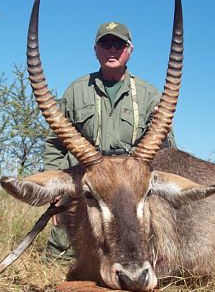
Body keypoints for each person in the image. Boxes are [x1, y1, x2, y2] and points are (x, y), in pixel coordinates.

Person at [43, 21, 176, 261]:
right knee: (60, 255)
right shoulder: (76, 90)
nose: (112, 50)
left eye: (119, 44)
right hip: (89, 180)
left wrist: (162, 130)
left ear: (130, 50)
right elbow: (55, 142)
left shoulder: (149, 95)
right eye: (106, 44)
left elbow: (168, 152)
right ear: (96, 50)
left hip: (130, 185)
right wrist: (54, 185)